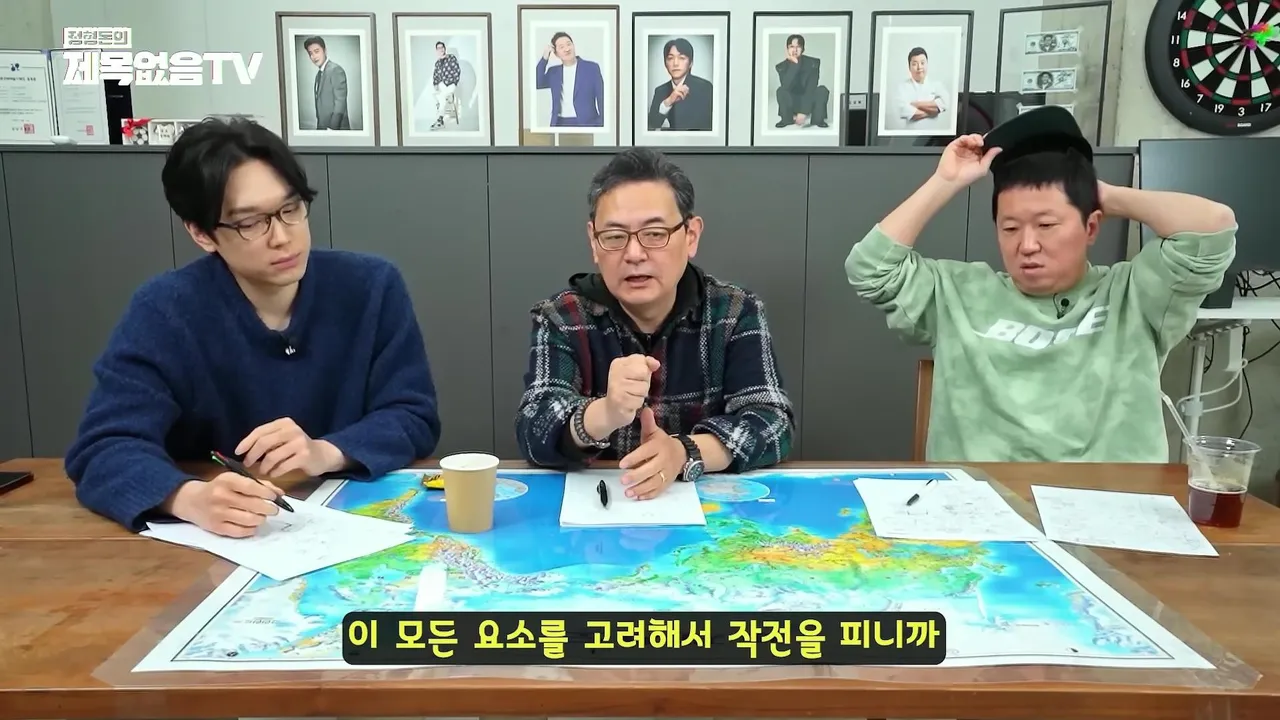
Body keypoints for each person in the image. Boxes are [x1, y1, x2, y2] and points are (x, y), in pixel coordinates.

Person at [65, 118, 441, 535]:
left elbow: (412, 415)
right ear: (202, 233)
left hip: (353, 528)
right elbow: (102, 448)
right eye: (250, 223)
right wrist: (187, 498)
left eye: (290, 209)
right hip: (218, 542)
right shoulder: (165, 311)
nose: (282, 237)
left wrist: (325, 452)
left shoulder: (371, 286)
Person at [844, 107, 1236, 463]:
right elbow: (870, 268)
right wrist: (944, 181)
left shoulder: (1134, 293)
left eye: (1046, 225)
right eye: (1010, 228)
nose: (1027, 245)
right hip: (984, 505)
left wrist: (1101, 195)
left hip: (1110, 504)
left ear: (1091, 227)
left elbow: (1214, 226)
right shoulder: (959, 293)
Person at [515, 148, 795, 498]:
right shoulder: (562, 316)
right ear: (594, 242)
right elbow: (533, 429)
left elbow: (773, 423)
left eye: (654, 233)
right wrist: (605, 412)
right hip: (600, 507)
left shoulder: (735, 311)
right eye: (614, 237)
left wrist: (684, 451)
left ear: (691, 236)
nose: (634, 254)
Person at [535, 31, 605, 128]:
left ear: (573, 46)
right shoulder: (554, 72)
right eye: (561, 47)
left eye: (569, 44)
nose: (567, 49)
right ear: (556, 53)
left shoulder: (591, 68)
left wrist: (601, 123)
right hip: (559, 123)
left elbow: (602, 97)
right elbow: (537, 83)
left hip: (586, 123)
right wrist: (544, 58)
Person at [647, 37, 714, 132]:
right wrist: (668, 102)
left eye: (682, 58)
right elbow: (651, 125)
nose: (675, 63)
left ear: (690, 63)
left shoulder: (705, 88)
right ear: (665, 63)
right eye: (670, 58)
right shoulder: (660, 90)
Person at [774, 34, 829, 129]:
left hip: (808, 99)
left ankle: (817, 120)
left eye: (798, 47)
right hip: (793, 101)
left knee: (822, 90)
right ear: (787, 49)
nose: (795, 50)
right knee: (780, 90)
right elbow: (786, 86)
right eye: (791, 47)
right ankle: (787, 119)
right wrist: (795, 64)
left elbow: (811, 87)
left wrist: (803, 112)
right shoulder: (781, 67)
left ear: (803, 49)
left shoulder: (813, 63)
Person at [893, 46, 951, 133]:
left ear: (927, 64)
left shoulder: (937, 85)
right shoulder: (902, 88)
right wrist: (934, 111)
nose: (919, 67)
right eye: (914, 64)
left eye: (922, 63)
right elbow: (909, 113)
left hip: (933, 136)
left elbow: (945, 103)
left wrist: (915, 104)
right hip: (910, 136)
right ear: (909, 67)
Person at [304, 36, 350, 130]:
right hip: (322, 128)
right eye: (310, 53)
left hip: (336, 129)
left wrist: (332, 129)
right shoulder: (318, 75)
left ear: (325, 51)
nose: (314, 56)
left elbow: (340, 104)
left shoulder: (336, 70)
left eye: (316, 51)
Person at [430, 40, 461, 130]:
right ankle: (440, 119)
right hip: (442, 85)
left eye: (442, 47)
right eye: (438, 48)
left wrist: (454, 82)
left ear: (444, 48)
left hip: (451, 84)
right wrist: (435, 84)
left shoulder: (451, 58)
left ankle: (440, 120)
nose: (440, 49)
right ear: (436, 50)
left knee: (441, 97)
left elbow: (457, 71)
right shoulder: (437, 63)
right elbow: (435, 75)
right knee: (440, 95)